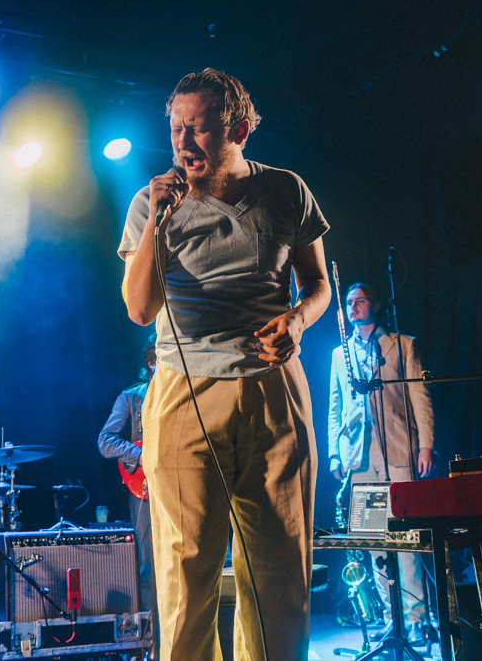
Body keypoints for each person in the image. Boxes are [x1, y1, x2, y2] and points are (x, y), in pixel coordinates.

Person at [119, 68, 330, 661]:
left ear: (238, 130)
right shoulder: (150, 203)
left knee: (281, 578)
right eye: (176, 128)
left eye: (199, 128)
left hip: (274, 390)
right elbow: (139, 309)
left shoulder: (286, 189)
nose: (183, 142)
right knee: (186, 578)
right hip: (184, 391)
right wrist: (159, 222)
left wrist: (297, 321)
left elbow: (318, 285)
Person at [327, 282, 434, 641]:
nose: (353, 306)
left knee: (404, 540)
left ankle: (416, 618)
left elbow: (419, 396)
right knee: (375, 542)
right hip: (360, 460)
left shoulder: (402, 345)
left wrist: (426, 445)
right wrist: (334, 452)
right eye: (349, 302)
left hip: (398, 453)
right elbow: (335, 406)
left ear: (375, 305)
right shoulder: (339, 354)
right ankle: (392, 618)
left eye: (360, 300)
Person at [97, 335, 158, 638]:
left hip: (180, 484)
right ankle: (148, 637)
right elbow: (105, 441)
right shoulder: (132, 397)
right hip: (145, 487)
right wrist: (141, 454)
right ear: (152, 362)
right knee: (148, 564)